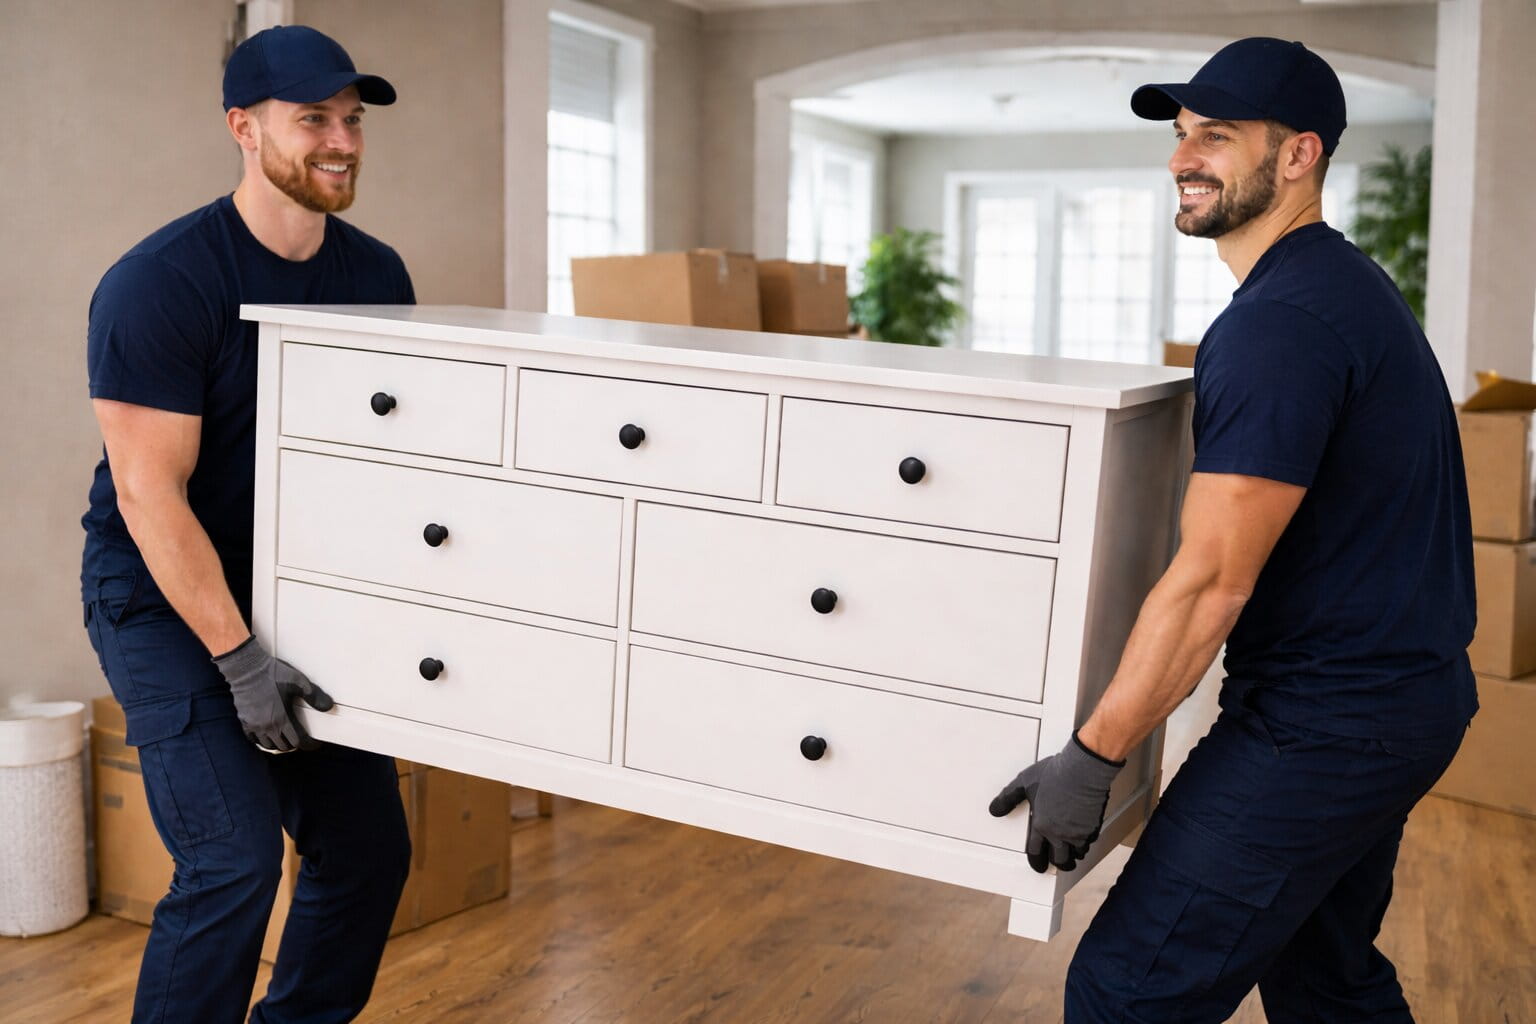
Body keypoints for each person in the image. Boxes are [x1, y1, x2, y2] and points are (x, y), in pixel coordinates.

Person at [989, 37, 1476, 1022]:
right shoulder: (1346, 288)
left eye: (1216, 135)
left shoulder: (1279, 324)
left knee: (1126, 989)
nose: (1182, 158)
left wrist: (1095, 753)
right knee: (1324, 978)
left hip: (1327, 726)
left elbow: (1215, 579)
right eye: (1179, 135)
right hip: (1402, 704)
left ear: (1298, 155)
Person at [81, 25, 415, 1023]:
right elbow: (149, 495)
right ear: (243, 127)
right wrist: (238, 658)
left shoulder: (377, 278)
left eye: (352, 120)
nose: (343, 140)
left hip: (294, 587)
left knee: (368, 852)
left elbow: (378, 468)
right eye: (314, 117)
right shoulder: (164, 282)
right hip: (159, 592)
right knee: (230, 859)